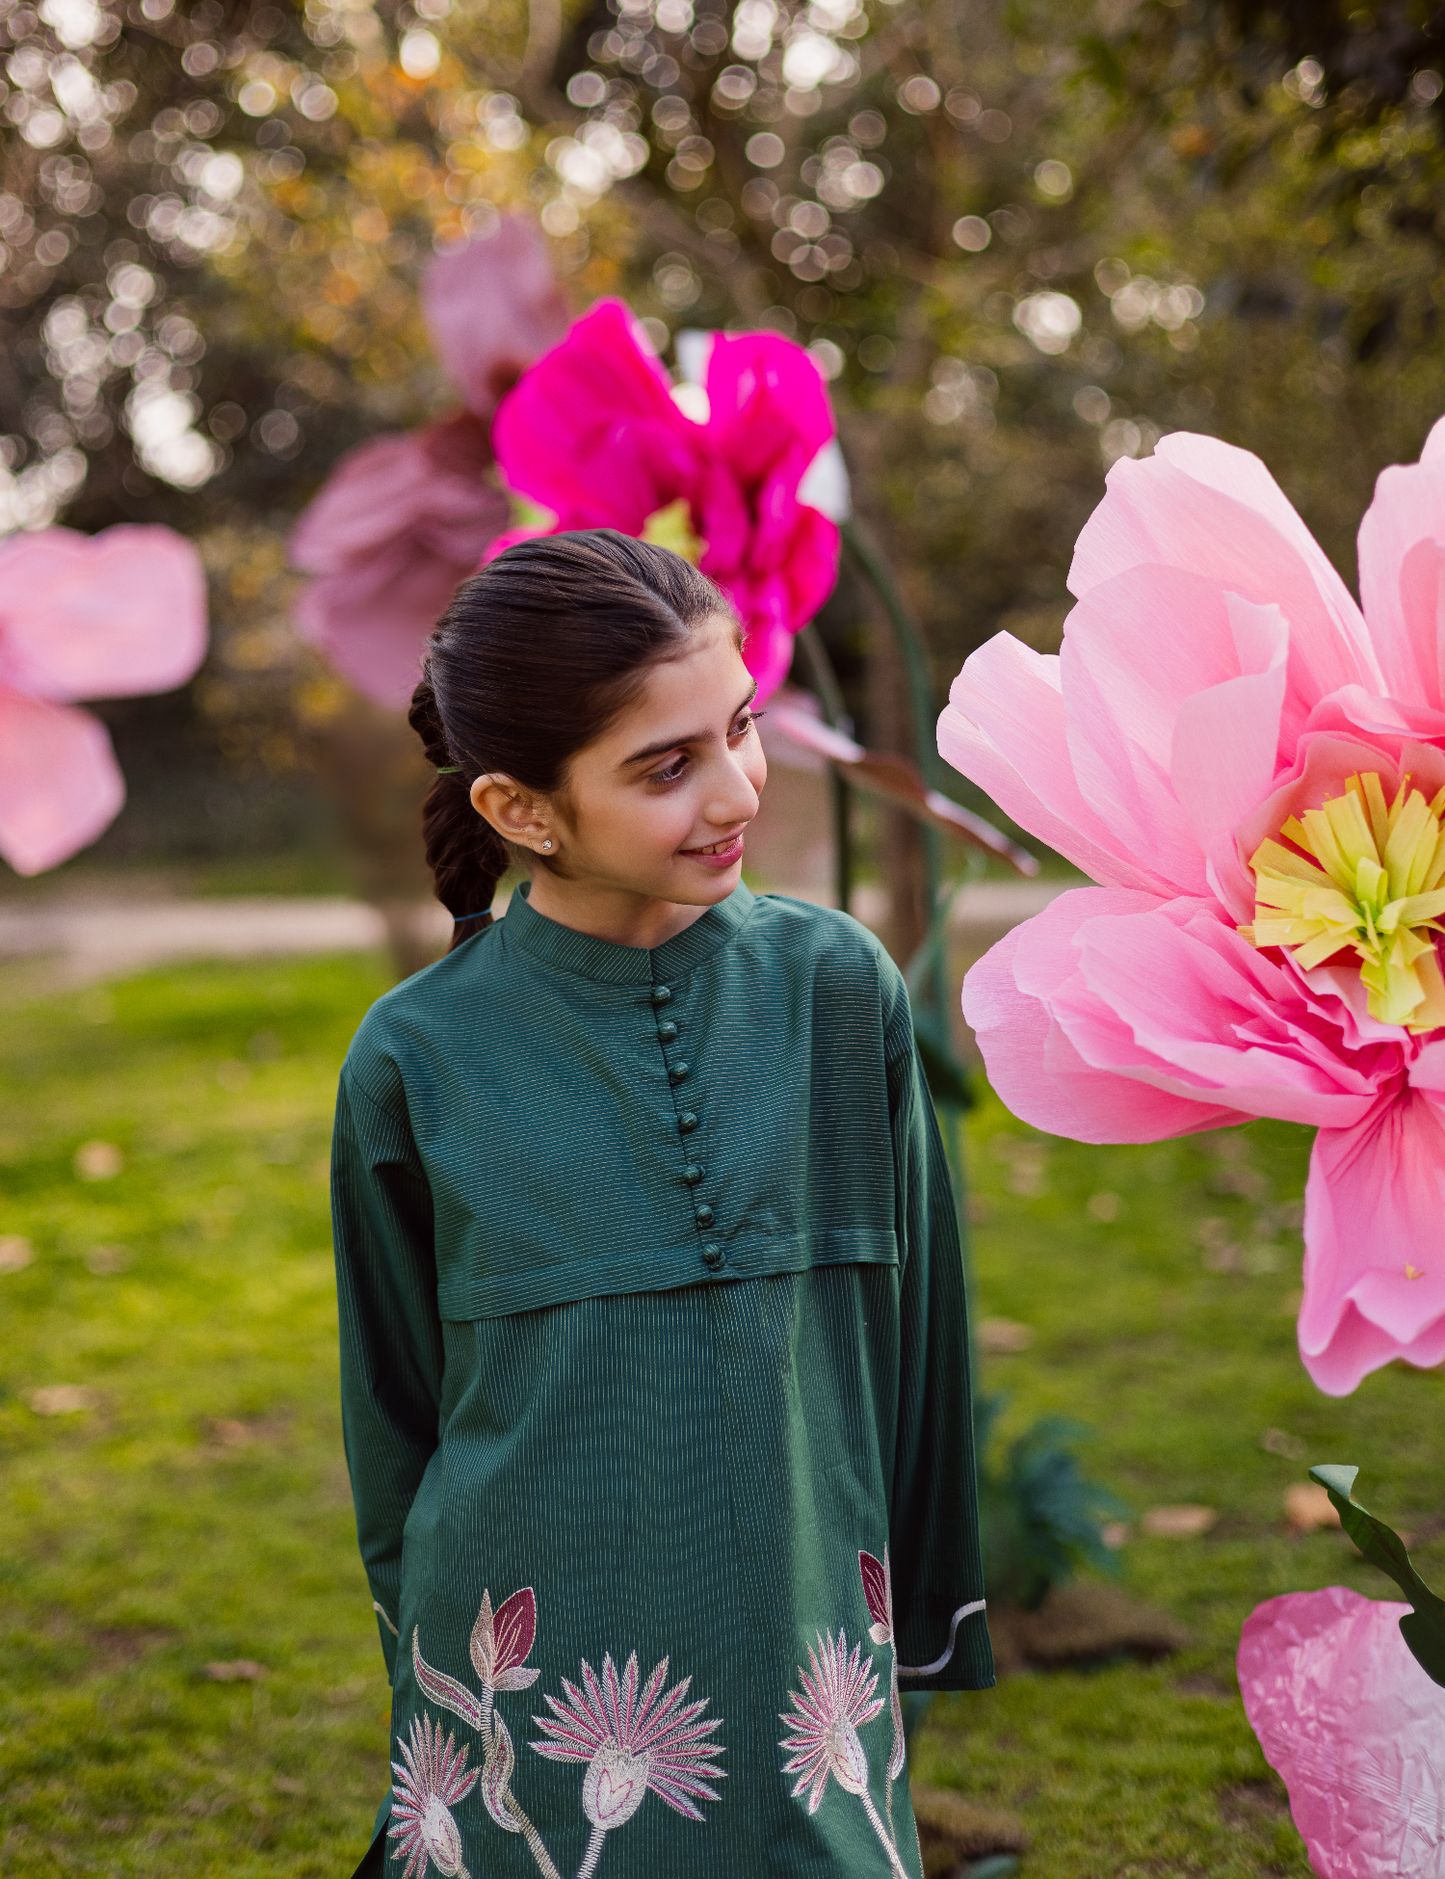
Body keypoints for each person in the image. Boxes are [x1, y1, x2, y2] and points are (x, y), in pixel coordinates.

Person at [332, 530, 992, 1879]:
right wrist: (440, 1678)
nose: (736, 789)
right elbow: (394, 1399)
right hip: (528, 1657)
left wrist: (914, 1614)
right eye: (664, 765)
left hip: (806, 1647)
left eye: (740, 727)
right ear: (523, 807)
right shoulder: (412, 1057)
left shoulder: (839, 990)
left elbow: (919, 1331)